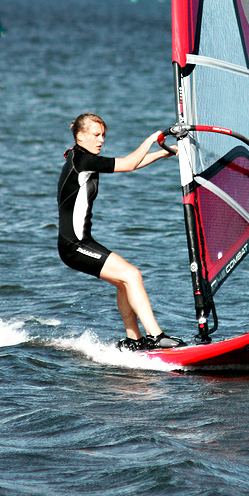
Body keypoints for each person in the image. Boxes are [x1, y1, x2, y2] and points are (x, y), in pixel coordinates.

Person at [57, 112, 186, 351]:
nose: (101, 140)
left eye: (103, 135)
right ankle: (156, 336)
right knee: (132, 275)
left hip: (80, 242)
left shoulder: (81, 156)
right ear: (81, 136)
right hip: (74, 246)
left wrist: (163, 153)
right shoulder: (82, 161)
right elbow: (128, 164)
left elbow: (131, 165)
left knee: (125, 281)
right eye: (96, 135)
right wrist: (152, 139)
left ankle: (134, 340)